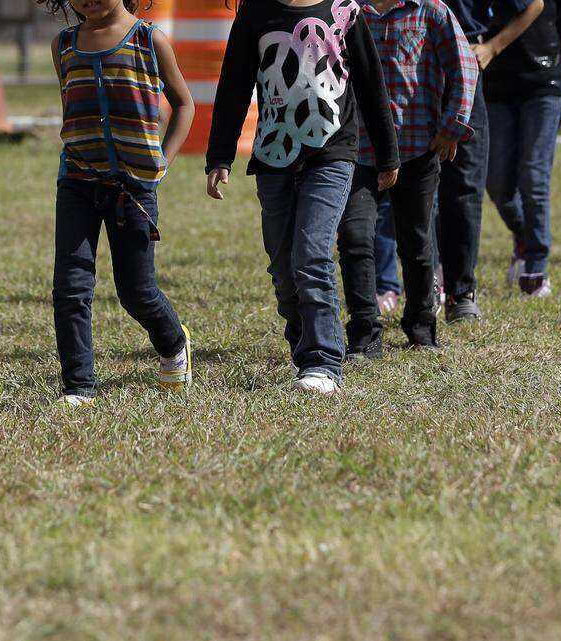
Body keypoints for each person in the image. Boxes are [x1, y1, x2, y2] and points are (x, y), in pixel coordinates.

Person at [207, 0, 399, 393]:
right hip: (274, 153)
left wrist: (386, 152)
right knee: (283, 268)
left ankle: (324, 362)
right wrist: (220, 156)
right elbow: (234, 82)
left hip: (333, 152)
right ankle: (305, 341)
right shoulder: (255, 12)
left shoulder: (345, 9)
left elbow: (369, 80)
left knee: (311, 255)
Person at [39, 0, 194, 405]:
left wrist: (164, 161)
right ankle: (79, 386)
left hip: (134, 189)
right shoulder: (64, 46)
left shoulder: (149, 40)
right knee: (70, 287)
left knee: (137, 292)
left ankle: (174, 342)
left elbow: (184, 105)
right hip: (77, 181)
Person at [336, 0, 477, 357]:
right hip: (359, 149)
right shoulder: (347, 11)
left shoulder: (432, 11)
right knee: (354, 238)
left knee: (416, 241)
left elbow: (465, 69)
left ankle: (421, 326)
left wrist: (452, 127)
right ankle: (364, 332)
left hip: (417, 146)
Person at [435, 0, 544, 322]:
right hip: (408, 64)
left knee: (465, 183)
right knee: (415, 181)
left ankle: (461, 292)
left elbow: (533, 4)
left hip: (463, 66)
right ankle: (424, 287)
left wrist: (493, 48)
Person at [485, 0, 561, 297]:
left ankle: (536, 267)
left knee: (534, 177)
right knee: (496, 183)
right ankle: (525, 236)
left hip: (544, 84)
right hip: (495, 86)